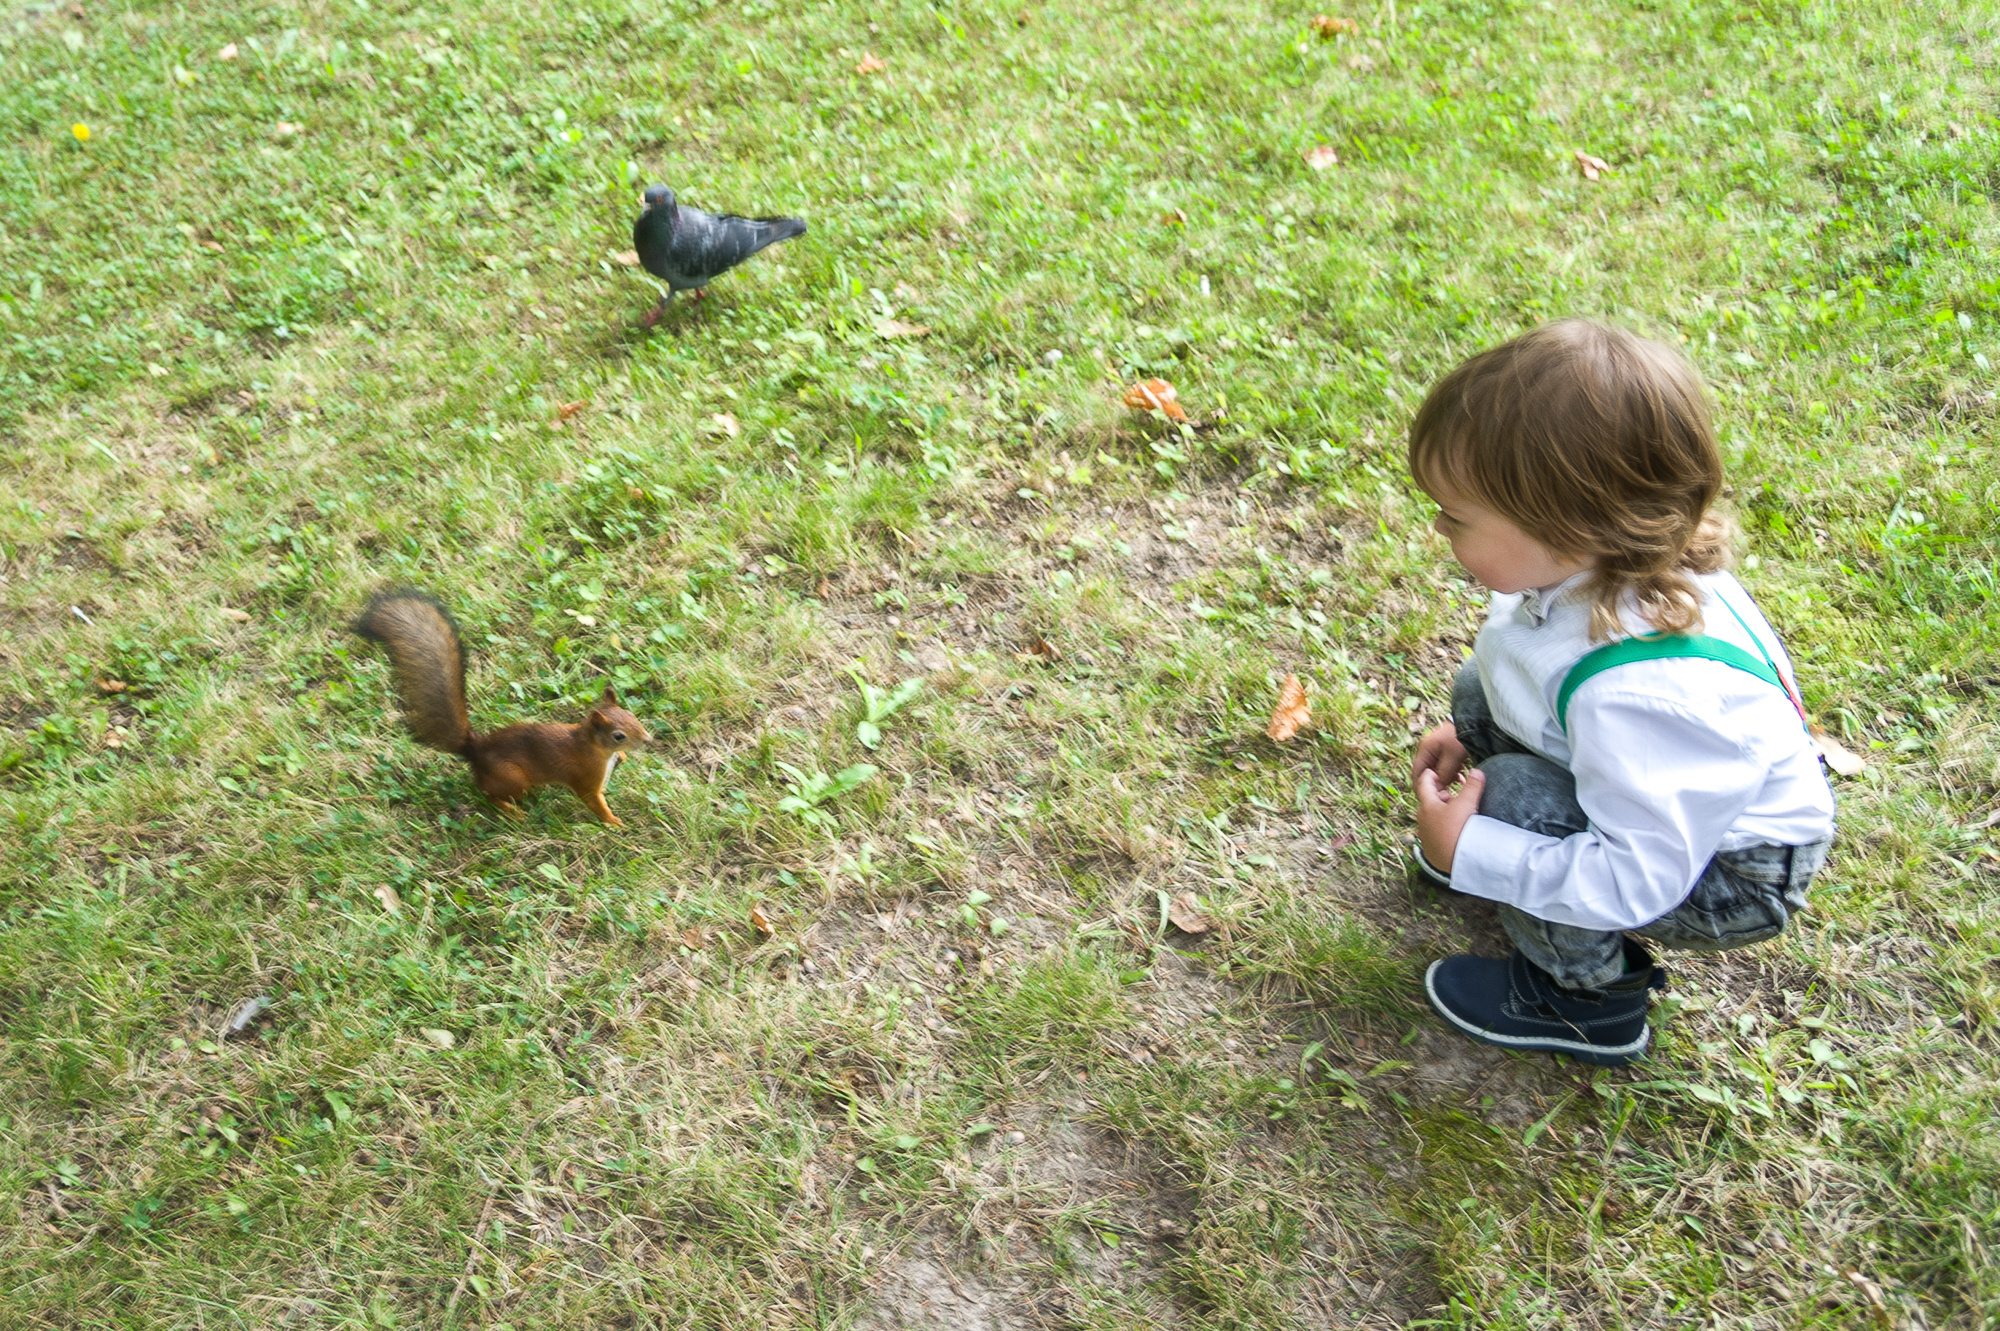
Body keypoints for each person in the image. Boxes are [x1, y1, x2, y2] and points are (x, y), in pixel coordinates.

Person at [1404, 319, 1836, 1066]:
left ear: (1568, 527)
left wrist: (1480, 846)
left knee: (1510, 798)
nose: (1438, 527)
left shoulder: (1642, 692)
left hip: (1730, 871)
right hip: (1663, 795)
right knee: (1480, 689)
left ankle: (1586, 1001)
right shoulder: (1589, 566)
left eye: (1455, 517)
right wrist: (1476, 732)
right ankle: (1509, 845)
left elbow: (1635, 878)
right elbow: (1523, 661)